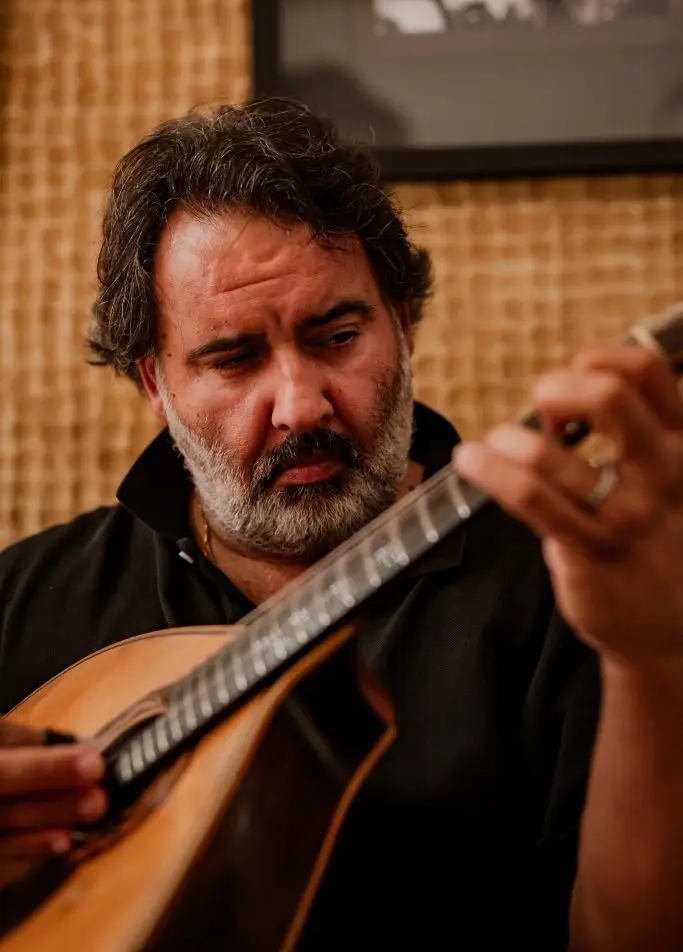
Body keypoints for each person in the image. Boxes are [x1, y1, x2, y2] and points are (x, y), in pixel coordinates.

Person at [1, 98, 683, 951]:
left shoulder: (579, 585)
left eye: (337, 336)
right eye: (234, 358)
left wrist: (652, 660)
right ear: (155, 383)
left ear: (402, 325)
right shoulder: (23, 602)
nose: (300, 404)